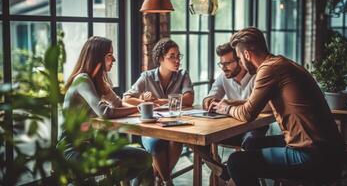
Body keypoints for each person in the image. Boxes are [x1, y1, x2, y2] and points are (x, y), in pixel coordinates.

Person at [211, 27, 344, 185]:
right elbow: (255, 102)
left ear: (247, 54)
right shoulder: (280, 64)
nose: (241, 63)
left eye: (239, 57)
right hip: (329, 150)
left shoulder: (268, 69)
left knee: (236, 162)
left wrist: (225, 109)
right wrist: (231, 103)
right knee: (252, 143)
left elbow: (247, 114)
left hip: (313, 156)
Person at [58, 36, 153, 184]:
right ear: (97, 57)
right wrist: (139, 109)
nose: (114, 60)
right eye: (109, 55)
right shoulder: (82, 79)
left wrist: (143, 108)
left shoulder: (99, 81)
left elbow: (118, 104)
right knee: (119, 166)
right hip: (72, 149)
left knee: (145, 158)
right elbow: (105, 112)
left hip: (93, 145)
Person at [123, 38, 194, 185]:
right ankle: (167, 180)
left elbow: (189, 99)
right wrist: (145, 102)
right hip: (152, 128)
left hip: (175, 125)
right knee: (155, 144)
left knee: (177, 139)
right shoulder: (147, 76)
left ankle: (160, 178)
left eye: (178, 56)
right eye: (172, 56)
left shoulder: (182, 74)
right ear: (161, 59)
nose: (177, 60)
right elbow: (127, 98)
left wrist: (164, 101)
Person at [202, 42, 268, 150]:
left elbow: (262, 107)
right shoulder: (224, 77)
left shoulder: (257, 77)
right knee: (201, 140)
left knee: (250, 142)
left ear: (240, 61)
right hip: (230, 127)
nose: (223, 68)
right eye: (221, 64)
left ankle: (235, 165)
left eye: (227, 63)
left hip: (253, 127)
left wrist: (230, 103)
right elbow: (209, 97)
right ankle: (219, 168)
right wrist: (209, 101)